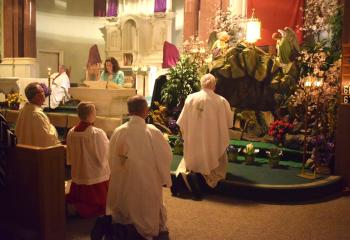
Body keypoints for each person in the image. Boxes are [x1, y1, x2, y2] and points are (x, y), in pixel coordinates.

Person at [106, 95, 172, 240]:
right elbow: (165, 157)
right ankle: (144, 229)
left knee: (125, 200)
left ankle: (125, 225)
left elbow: (110, 158)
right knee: (147, 202)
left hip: (125, 180)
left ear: (129, 111)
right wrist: (164, 177)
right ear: (146, 111)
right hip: (147, 181)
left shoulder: (119, 131)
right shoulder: (153, 132)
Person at [176, 73, 233, 199]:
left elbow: (182, 121)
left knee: (191, 158)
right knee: (216, 163)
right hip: (213, 140)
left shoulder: (190, 98)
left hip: (194, 138)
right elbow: (229, 123)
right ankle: (203, 177)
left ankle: (189, 175)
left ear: (201, 84)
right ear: (214, 86)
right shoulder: (221, 101)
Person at [66, 102, 110, 218]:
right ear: (91, 114)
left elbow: (70, 153)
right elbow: (104, 154)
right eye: (94, 111)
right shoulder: (96, 133)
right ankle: (79, 209)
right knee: (101, 204)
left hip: (79, 171)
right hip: (94, 173)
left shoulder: (71, 132)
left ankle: (74, 206)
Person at [15, 82, 60, 147]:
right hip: (37, 154)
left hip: (22, 152)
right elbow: (48, 139)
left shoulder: (23, 111)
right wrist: (52, 127)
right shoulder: (38, 114)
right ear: (36, 96)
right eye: (42, 91)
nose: (44, 93)